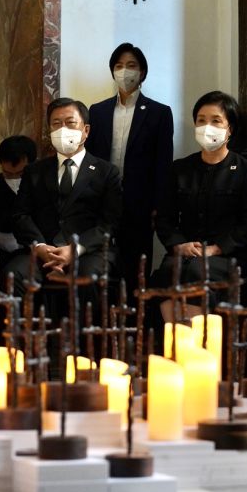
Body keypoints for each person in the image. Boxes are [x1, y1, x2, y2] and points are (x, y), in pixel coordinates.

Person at [152, 91, 247, 322]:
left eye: (216, 120)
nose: (207, 127)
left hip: (229, 256)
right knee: (168, 272)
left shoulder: (245, 170)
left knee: (197, 271)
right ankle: (175, 338)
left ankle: (197, 341)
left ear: (230, 128)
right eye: (201, 120)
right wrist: (179, 245)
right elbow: (164, 217)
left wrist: (216, 249)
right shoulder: (180, 169)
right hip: (187, 252)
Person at [6, 97, 122, 298]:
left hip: (88, 252)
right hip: (43, 250)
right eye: (56, 124)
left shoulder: (106, 172)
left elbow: (110, 222)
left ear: (86, 130)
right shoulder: (34, 171)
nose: (63, 129)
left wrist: (75, 249)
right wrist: (40, 247)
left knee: (88, 279)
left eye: (70, 123)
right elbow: (20, 215)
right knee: (13, 274)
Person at [87, 43, 173, 302]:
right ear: (113, 71)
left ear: (142, 72)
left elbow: (163, 164)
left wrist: (159, 206)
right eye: (119, 66)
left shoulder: (159, 113)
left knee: (137, 266)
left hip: (140, 202)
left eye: (131, 65)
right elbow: (91, 157)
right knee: (101, 262)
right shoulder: (97, 111)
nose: (125, 71)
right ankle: (106, 314)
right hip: (102, 200)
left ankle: (136, 317)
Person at [0, 135, 37, 285]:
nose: (14, 178)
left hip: (30, 251)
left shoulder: (40, 186)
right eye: (8, 173)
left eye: (20, 174)